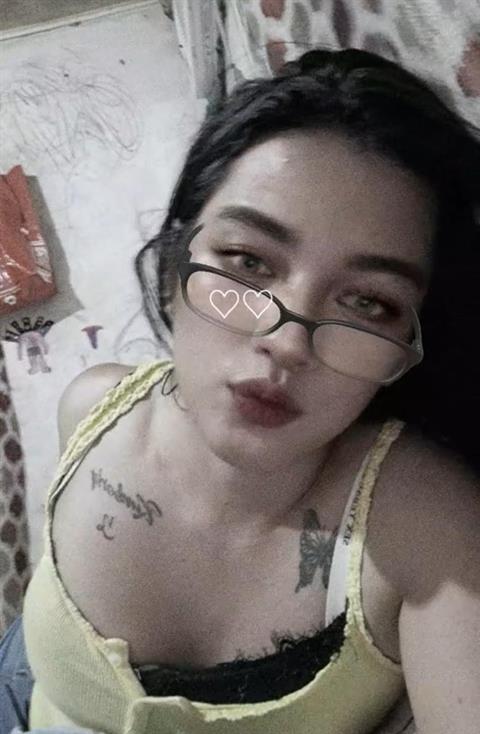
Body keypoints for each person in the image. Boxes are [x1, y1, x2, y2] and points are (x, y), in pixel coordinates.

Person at [1, 47, 480, 734]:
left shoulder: (428, 532)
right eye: (247, 260)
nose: (286, 343)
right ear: (175, 264)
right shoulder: (91, 409)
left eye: (368, 303)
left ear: (409, 343)